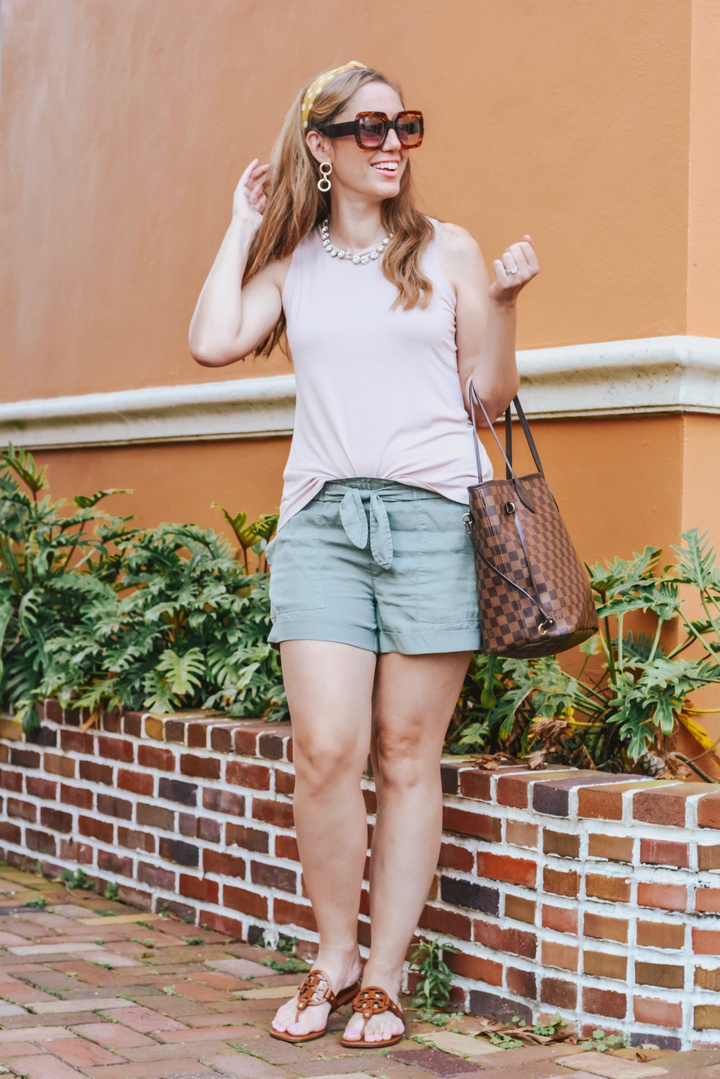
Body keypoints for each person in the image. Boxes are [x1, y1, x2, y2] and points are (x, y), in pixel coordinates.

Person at [189, 61, 538, 1050]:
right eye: (368, 128)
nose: (391, 144)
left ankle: (384, 977)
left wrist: (504, 302)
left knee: (405, 752)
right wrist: (235, 225)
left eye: (404, 126)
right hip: (324, 527)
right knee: (325, 751)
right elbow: (214, 338)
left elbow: (491, 398)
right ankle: (333, 955)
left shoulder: (450, 249)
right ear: (321, 147)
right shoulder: (293, 262)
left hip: (431, 520)